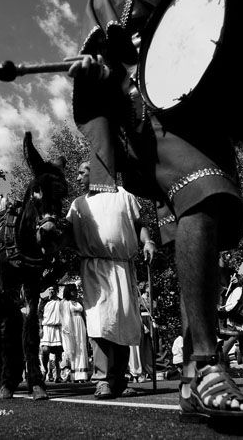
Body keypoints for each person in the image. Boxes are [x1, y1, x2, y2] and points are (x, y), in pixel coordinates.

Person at [68, 0, 243, 420]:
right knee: (203, 196)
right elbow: (113, 52)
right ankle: (206, 364)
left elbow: (209, 34)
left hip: (202, 116)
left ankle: (189, 383)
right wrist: (98, 67)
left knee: (203, 220)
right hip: (149, 120)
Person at [65, 161, 156, 399]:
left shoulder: (124, 195)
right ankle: (102, 379)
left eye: (81, 172)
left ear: (96, 173)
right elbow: (65, 234)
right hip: (94, 266)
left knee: (123, 321)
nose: (77, 178)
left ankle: (119, 380)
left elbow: (139, 225)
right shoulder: (78, 204)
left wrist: (148, 242)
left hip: (124, 267)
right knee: (100, 321)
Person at [60, 284, 90, 382]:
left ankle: (82, 374)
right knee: (73, 348)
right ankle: (73, 375)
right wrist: (67, 329)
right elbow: (64, 318)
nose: (75, 292)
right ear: (69, 291)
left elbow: (84, 315)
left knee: (82, 346)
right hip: (71, 325)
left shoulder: (79, 302)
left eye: (75, 290)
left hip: (80, 324)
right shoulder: (65, 302)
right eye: (73, 290)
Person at [39, 286, 64, 383]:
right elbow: (40, 315)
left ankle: (58, 375)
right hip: (47, 328)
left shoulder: (61, 302)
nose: (51, 291)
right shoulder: (44, 301)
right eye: (49, 289)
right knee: (45, 350)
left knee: (58, 353)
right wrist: (40, 328)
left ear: (56, 291)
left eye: (53, 289)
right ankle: (44, 371)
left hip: (58, 328)